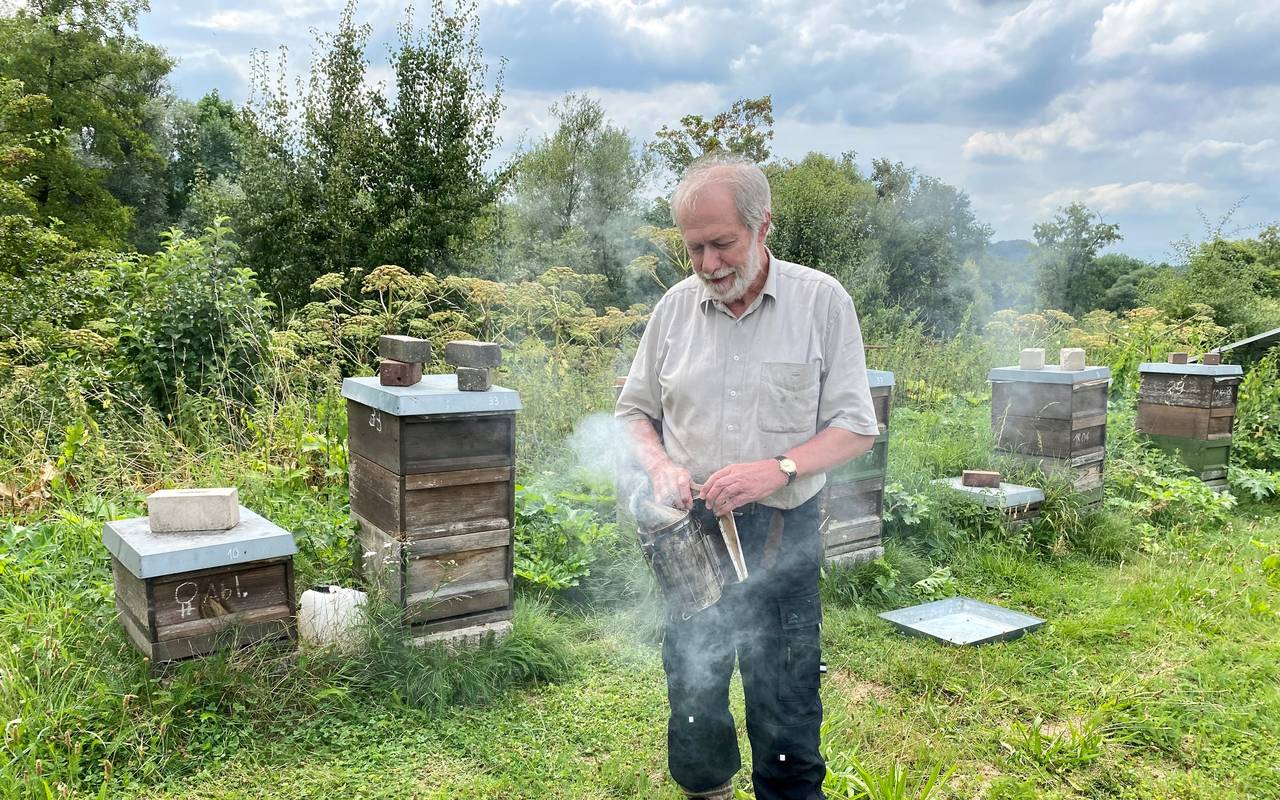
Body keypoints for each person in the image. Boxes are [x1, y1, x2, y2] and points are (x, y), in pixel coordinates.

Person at [614, 153, 881, 800]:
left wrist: (778, 468)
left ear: (763, 227)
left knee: (786, 700)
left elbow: (855, 427)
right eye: (694, 248)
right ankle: (708, 790)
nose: (708, 264)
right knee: (694, 689)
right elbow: (633, 413)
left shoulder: (822, 302)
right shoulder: (674, 309)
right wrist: (661, 465)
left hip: (782, 536)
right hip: (690, 534)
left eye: (722, 244)